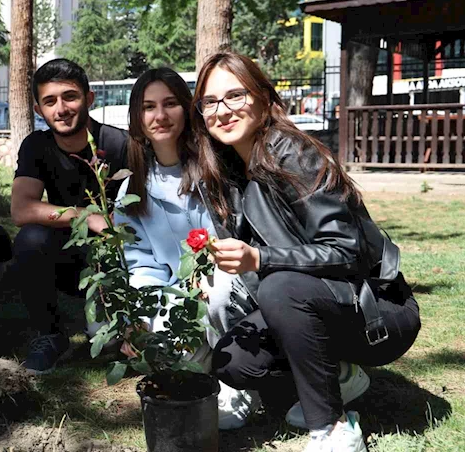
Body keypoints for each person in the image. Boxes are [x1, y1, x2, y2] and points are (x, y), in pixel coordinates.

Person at [191, 52, 420, 452]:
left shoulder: (293, 153)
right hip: (314, 302)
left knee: (281, 287)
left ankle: (332, 429)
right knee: (233, 359)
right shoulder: (226, 173)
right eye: (210, 102)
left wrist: (260, 258)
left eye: (235, 96)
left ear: (263, 98)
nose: (222, 111)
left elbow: (346, 250)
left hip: (377, 309)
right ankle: (340, 373)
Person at [114, 67, 261, 430]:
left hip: (234, 284)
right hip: (179, 295)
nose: (160, 116)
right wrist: (144, 316)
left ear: (187, 109)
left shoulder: (219, 170)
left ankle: (242, 380)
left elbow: (240, 241)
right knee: (159, 337)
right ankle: (209, 377)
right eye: (148, 107)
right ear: (136, 117)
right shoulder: (132, 191)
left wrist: (205, 280)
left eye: (170, 104)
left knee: (220, 288)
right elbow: (141, 265)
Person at [11, 58, 128, 374]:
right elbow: (21, 209)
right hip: (67, 255)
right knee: (30, 239)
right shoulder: (37, 146)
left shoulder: (120, 144)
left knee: (104, 339)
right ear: (39, 110)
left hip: (116, 255)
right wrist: (86, 215)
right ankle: (49, 335)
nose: (60, 109)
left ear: (89, 99)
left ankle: (123, 320)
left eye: (70, 97)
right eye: (49, 101)